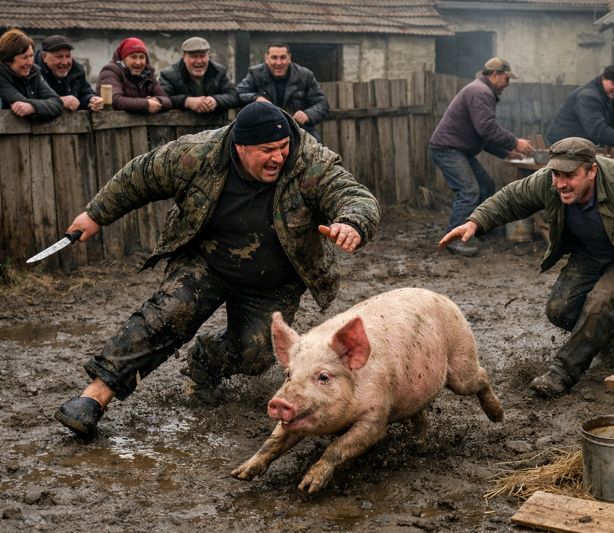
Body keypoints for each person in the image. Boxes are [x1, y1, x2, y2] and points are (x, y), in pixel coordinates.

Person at [54, 102, 380, 438]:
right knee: (169, 312)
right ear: (239, 147)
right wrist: (95, 216)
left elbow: (353, 195)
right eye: (267, 150)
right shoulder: (197, 154)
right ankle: (94, 396)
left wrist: (352, 222)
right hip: (205, 260)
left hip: (273, 280)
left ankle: (206, 363)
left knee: (256, 354)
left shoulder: (311, 162)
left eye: (283, 148)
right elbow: (141, 176)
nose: (278, 158)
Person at [439, 137, 614, 398]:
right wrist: (476, 221)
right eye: (556, 174)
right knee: (559, 310)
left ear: (592, 171)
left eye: (569, 175)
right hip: (590, 252)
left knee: (601, 303)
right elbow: (512, 198)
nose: (560, 183)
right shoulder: (548, 182)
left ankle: (561, 374)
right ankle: (611, 332)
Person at [429, 57, 534, 257]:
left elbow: (481, 136)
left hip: (458, 149)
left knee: (486, 186)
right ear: (494, 75)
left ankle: (477, 228)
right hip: (448, 148)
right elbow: (486, 129)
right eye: (506, 78)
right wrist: (515, 142)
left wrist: (506, 151)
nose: (507, 84)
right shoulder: (480, 92)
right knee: (469, 190)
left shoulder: (480, 90)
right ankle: (455, 239)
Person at [236, 43, 329, 141]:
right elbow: (237, 94)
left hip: (298, 130)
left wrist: (308, 114)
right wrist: (255, 98)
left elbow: (322, 103)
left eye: (283, 57)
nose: (279, 62)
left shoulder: (305, 75)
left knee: (316, 145)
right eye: (274, 58)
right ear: (266, 58)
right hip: (263, 130)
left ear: (289, 58)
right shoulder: (255, 74)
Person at [547, 65, 614, 150]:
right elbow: (597, 130)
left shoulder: (613, 96)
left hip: (581, 144)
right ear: (603, 79)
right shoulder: (588, 96)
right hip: (562, 144)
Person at [158, 36, 238, 114]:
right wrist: (186, 101)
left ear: (208, 56)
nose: (199, 61)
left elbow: (233, 95)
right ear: (183, 57)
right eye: (194, 56)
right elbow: (162, 99)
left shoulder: (219, 72)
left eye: (202, 56)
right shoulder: (169, 75)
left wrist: (215, 100)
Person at [96, 37, 172, 114]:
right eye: (133, 57)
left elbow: (167, 100)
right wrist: (146, 104)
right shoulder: (110, 71)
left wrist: (157, 100)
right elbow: (115, 100)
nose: (138, 62)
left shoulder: (147, 74)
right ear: (123, 58)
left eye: (142, 57)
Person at [0, 28, 63, 119]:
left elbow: (57, 103)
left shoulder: (34, 73)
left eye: (31, 56)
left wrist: (33, 107)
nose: (30, 62)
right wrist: (39, 106)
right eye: (25, 57)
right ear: (9, 59)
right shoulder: (2, 76)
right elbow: (20, 103)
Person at [36, 34, 103, 112]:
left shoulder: (77, 70)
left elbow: (85, 92)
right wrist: (59, 101)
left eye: (68, 56)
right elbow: (30, 100)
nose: (65, 62)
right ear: (44, 57)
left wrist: (92, 100)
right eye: (59, 57)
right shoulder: (32, 72)